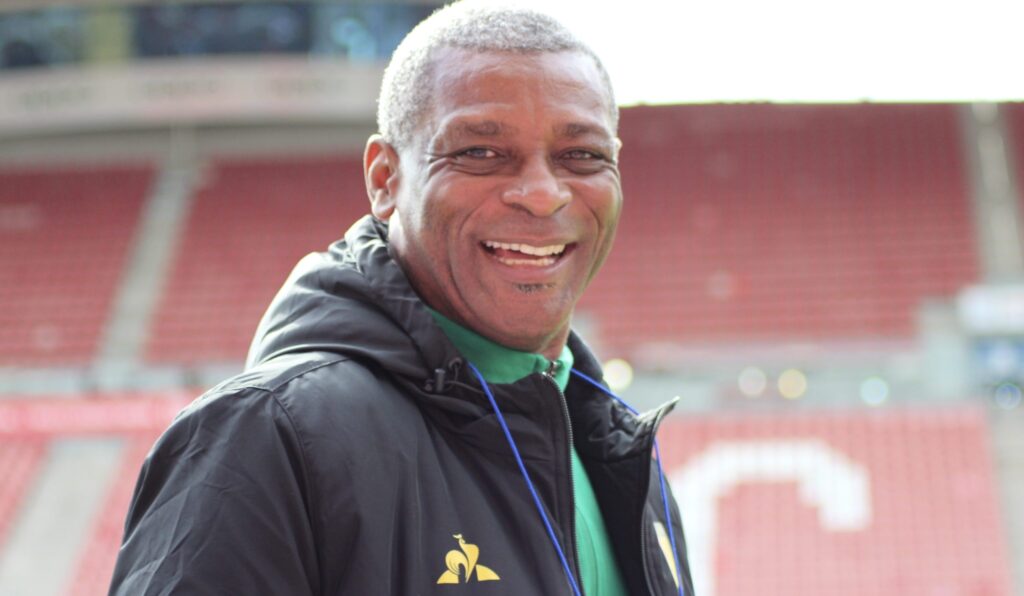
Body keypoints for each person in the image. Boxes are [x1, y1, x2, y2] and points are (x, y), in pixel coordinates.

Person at [109, 2, 694, 595]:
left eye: (582, 156)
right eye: (479, 153)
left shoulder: (615, 447)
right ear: (384, 179)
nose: (543, 195)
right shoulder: (268, 437)